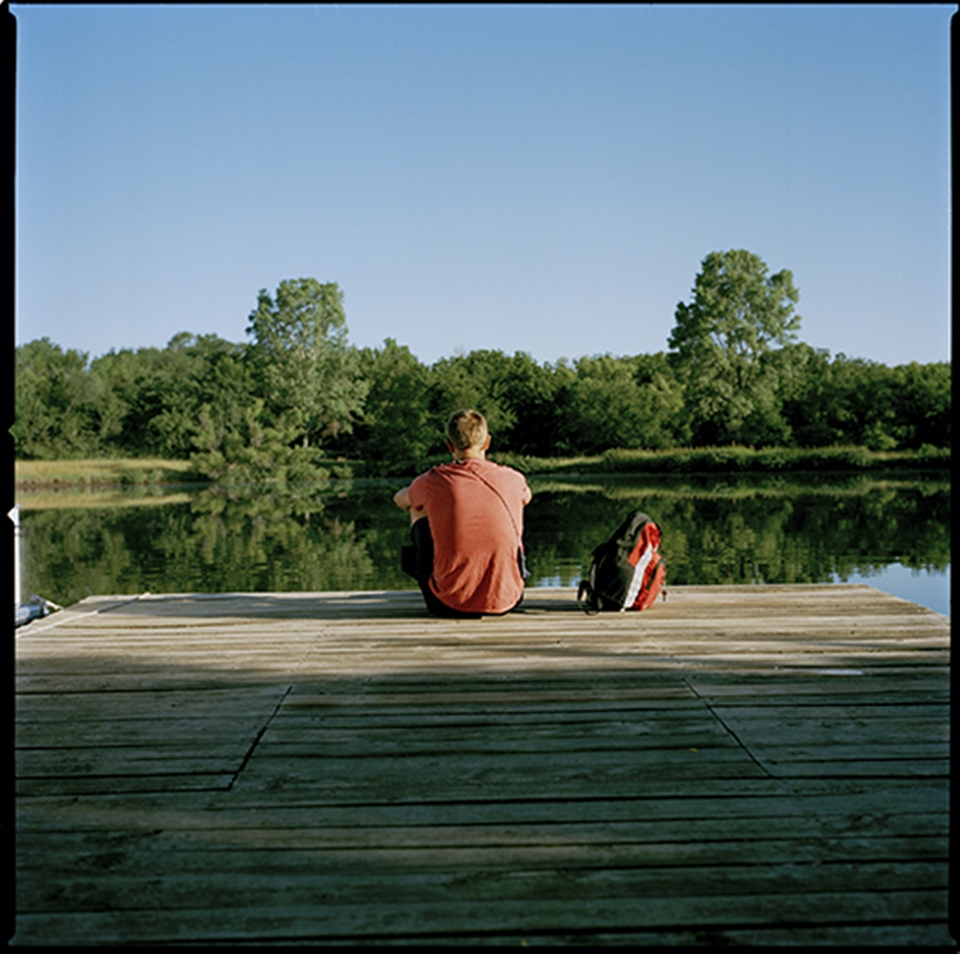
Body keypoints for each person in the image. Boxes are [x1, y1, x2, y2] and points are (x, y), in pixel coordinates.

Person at [394, 409, 532, 618]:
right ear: (487, 442)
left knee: (416, 507)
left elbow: (399, 499)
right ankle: (499, 581)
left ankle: (444, 579)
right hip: (508, 599)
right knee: (511, 508)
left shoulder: (433, 480)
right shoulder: (513, 478)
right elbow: (527, 497)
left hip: (447, 603)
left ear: (449, 445)